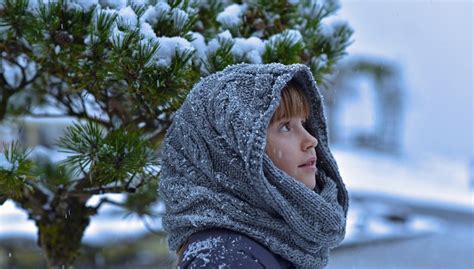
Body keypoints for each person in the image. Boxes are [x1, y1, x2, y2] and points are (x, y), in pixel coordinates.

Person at [159, 63, 348, 269]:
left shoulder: (273, 245)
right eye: (285, 127)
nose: (311, 140)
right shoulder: (226, 258)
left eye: (303, 123)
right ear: (233, 152)